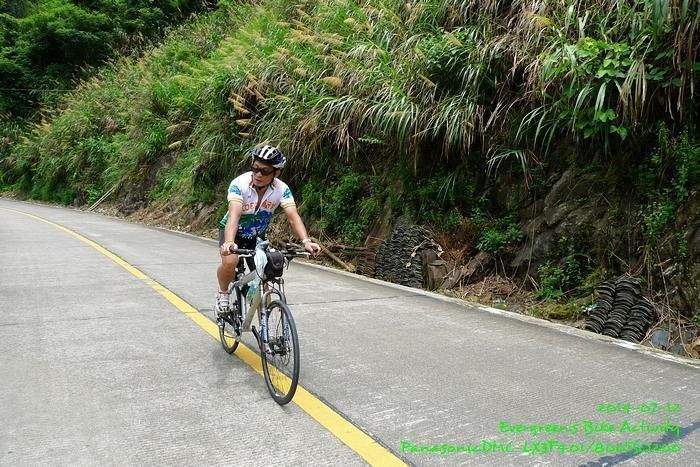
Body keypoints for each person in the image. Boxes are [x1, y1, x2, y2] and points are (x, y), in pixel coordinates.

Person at [216, 144, 320, 315]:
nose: (258, 174)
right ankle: (223, 292)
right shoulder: (239, 184)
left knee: (265, 281)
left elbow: (293, 217)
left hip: (256, 235)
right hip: (233, 233)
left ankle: (265, 325)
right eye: (255, 168)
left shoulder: (282, 189)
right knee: (230, 261)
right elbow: (234, 216)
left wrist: (306, 241)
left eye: (264, 171)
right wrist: (228, 242)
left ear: (276, 173)